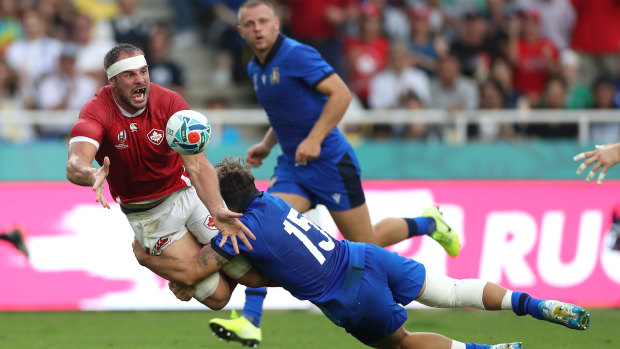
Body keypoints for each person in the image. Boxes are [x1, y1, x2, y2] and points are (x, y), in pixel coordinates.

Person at [133, 157, 591, 349]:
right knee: (451, 290)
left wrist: (148, 256)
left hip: (349, 297)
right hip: (366, 258)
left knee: (405, 344)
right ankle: (533, 305)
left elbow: (200, 270)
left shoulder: (239, 234)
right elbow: (264, 273)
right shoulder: (274, 201)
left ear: (225, 204)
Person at [208, 1, 460, 346]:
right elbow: (285, 111)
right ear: (241, 31)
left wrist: (314, 138)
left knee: (367, 240)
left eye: (263, 21)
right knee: (259, 226)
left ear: (277, 24)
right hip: (294, 168)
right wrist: (268, 144)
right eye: (249, 23)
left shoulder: (297, 55)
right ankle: (250, 321)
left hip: (330, 163)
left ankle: (428, 223)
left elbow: (341, 95)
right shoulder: (256, 68)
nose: (257, 28)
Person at [65, 42, 255, 310]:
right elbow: (75, 162)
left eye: (143, 71)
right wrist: (92, 172)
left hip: (187, 193)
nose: (140, 79)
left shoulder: (170, 102)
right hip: (150, 217)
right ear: (112, 81)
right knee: (219, 298)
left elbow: (197, 164)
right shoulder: (97, 111)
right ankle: (148, 258)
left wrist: (216, 209)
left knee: (251, 273)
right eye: (130, 75)